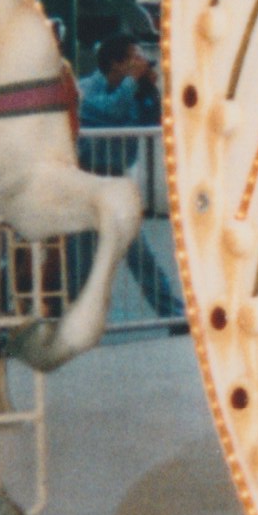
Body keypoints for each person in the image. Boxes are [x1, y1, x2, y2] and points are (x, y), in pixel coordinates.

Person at [73, 31, 187, 325]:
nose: (140, 62)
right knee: (81, 261)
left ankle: (172, 314)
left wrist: (149, 91)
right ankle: (79, 321)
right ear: (115, 63)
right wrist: (132, 83)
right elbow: (110, 111)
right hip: (85, 180)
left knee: (139, 254)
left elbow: (153, 120)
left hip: (116, 181)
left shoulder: (132, 89)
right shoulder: (84, 90)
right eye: (134, 57)